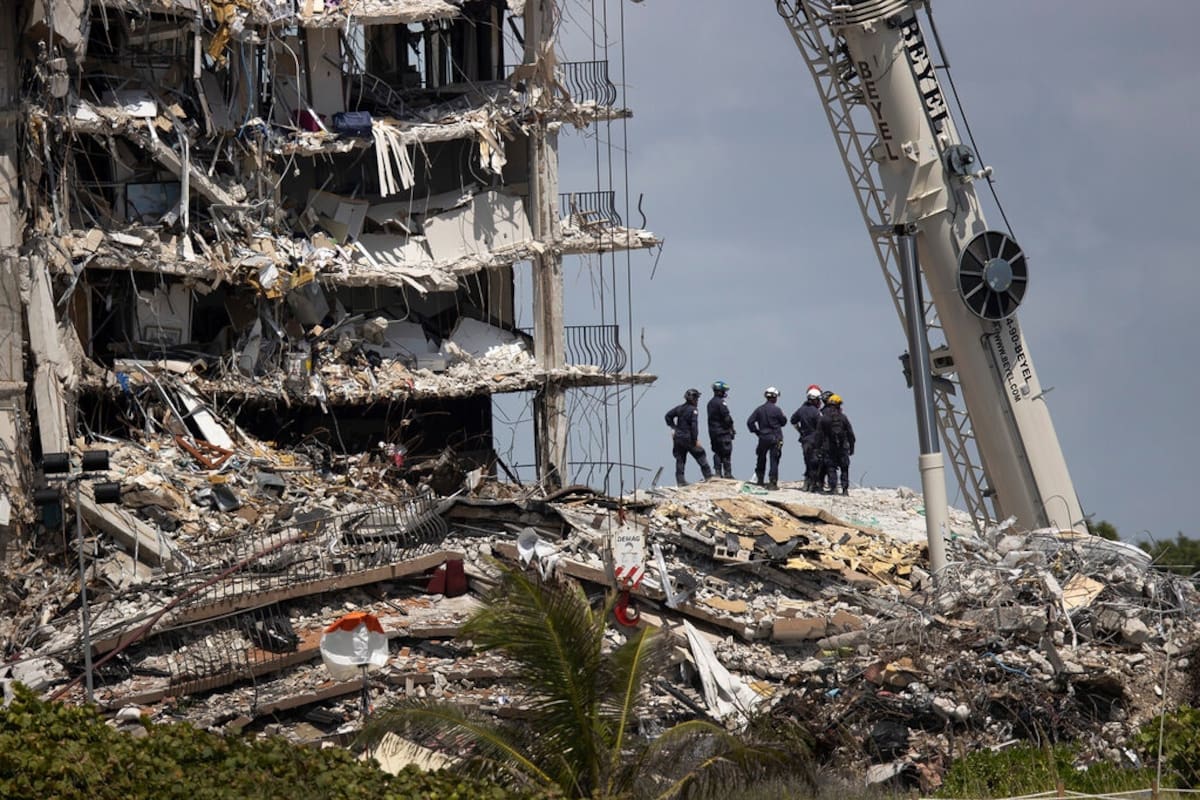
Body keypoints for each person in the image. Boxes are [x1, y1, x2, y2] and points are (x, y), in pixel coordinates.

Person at [665, 388, 713, 486]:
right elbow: (694, 426)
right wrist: (695, 440)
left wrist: (673, 428)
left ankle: (680, 481)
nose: (697, 401)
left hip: (678, 438)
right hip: (688, 438)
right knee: (700, 454)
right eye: (697, 399)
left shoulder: (679, 408)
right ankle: (708, 476)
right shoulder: (693, 410)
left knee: (680, 459)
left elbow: (668, 416)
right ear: (693, 399)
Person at [746, 386, 787, 490]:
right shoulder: (777, 410)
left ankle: (760, 480)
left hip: (763, 437)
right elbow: (783, 422)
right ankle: (772, 483)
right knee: (774, 460)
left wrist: (756, 432)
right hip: (775, 437)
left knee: (761, 458)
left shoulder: (759, 409)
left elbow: (750, 422)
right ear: (774, 397)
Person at [817, 393, 856, 495]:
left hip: (829, 448)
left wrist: (818, 448)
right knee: (844, 468)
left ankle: (833, 488)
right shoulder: (843, 418)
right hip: (843, 447)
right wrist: (852, 448)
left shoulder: (824, 418)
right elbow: (851, 434)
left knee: (831, 468)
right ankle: (845, 490)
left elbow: (819, 435)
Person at [790, 385, 824, 492]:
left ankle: (806, 484)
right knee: (815, 462)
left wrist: (800, 431)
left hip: (805, 440)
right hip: (815, 440)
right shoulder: (816, 412)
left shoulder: (801, 410)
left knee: (807, 461)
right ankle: (813, 485)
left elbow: (793, 421)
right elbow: (821, 427)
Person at [707, 380, 736, 479]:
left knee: (717, 452)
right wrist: (731, 428)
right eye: (723, 391)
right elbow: (726, 417)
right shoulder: (721, 403)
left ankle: (718, 473)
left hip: (713, 433)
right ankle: (728, 474)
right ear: (719, 391)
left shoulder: (710, 403)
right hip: (723, 432)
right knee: (726, 452)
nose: (725, 393)